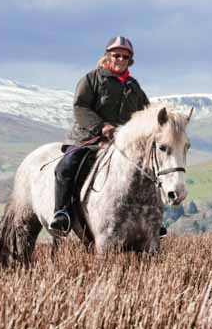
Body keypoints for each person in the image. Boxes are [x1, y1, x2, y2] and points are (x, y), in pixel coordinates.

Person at [51, 36, 154, 234]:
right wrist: (101, 127)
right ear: (108, 56)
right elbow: (80, 107)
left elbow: (146, 113)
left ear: (129, 60)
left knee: (149, 172)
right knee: (67, 166)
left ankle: (152, 218)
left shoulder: (134, 87)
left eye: (125, 56)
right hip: (87, 138)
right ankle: (62, 213)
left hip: (121, 143)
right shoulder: (91, 79)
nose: (120, 59)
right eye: (116, 55)